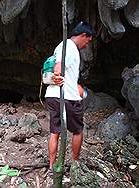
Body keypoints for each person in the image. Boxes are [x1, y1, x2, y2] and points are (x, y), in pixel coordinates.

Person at [45, 21, 95, 173]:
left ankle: (52, 166)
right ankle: (75, 163)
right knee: (77, 131)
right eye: (88, 40)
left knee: (55, 132)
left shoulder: (61, 46)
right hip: (68, 98)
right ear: (83, 35)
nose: (87, 44)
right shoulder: (69, 47)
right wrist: (59, 75)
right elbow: (59, 67)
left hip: (52, 96)